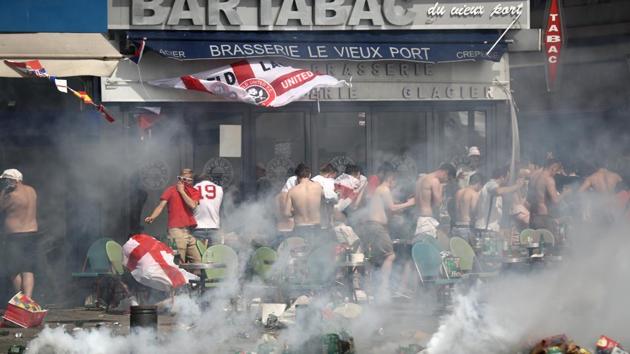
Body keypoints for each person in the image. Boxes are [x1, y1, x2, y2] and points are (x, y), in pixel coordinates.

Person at [363, 165, 414, 299]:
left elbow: (389, 210)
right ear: (391, 178)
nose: (395, 185)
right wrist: (410, 203)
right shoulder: (384, 189)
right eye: (395, 181)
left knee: (375, 258)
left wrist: (400, 207)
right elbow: (392, 208)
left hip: (373, 226)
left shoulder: (380, 190)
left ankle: (372, 289)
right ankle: (383, 289)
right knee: (390, 256)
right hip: (377, 227)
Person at [145, 168, 202, 264]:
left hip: (188, 230)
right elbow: (161, 205)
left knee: (197, 261)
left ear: (191, 181)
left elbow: (192, 205)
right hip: (176, 230)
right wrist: (152, 217)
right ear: (179, 178)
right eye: (182, 178)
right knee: (179, 261)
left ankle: (195, 278)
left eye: (188, 179)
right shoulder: (171, 190)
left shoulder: (194, 191)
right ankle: (181, 278)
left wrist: (182, 192)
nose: (184, 181)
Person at [0, 169, 39, 298]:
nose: (4, 183)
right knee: (28, 269)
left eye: (6, 180)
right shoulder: (32, 191)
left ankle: (20, 299)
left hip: (16, 236)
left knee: (14, 270)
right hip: (32, 234)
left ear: (14, 180)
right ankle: (27, 299)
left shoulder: (10, 195)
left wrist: (3, 193)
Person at [475, 165, 524, 233]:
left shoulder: (495, 186)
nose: (508, 181)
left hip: (490, 228)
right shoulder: (491, 184)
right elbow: (499, 191)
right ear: (502, 177)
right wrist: (517, 186)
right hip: (486, 228)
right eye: (507, 178)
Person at [414, 163, 457, 240]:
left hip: (419, 219)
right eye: (448, 179)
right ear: (445, 173)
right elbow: (438, 203)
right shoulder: (435, 181)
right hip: (427, 221)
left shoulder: (421, 179)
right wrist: (441, 187)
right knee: (428, 249)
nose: (447, 181)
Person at [285, 165, 324, 241]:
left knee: (300, 252)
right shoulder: (318, 187)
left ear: (297, 176)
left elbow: (287, 213)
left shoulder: (292, 191)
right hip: (315, 227)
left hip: (300, 228)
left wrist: (297, 210)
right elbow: (323, 204)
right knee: (317, 251)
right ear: (309, 175)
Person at [527, 159, 564, 232]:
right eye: (556, 170)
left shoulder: (533, 176)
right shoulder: (548, 179)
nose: (556, 173)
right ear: (553, 167)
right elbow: (555, 200)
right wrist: (566, 193)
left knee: (534, 241)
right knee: (548, 241)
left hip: (533, 216)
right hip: (543, 218)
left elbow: (529, 198)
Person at [192, 174, 224, 246]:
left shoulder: (194, 188)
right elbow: (220, 210)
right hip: (214, 228)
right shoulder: (219, 189)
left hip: (198, 227)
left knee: (198, 256)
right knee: (214, 255)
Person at [452, 173, 484, 242]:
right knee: (468, 251)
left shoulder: (459, 192)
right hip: (467, 227)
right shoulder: (474, 194)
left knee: (457, 251)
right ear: (478, 183)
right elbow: (474, 210)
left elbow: (456, 208)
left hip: (457, 226)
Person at [311, 163, 338, 229]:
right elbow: (333, 198)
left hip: (313, 216)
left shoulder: (313, 180)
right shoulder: (329, 181)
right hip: (325, 214)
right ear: (329, 174)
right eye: (333, 176)